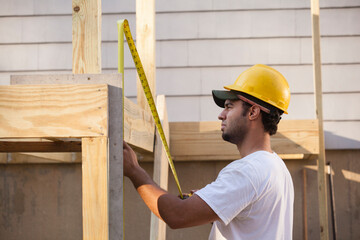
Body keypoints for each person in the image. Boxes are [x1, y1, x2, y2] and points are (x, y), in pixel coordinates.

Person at [123, 64, 294, 239]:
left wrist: (134, 171)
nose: (221, 114)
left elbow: (177, 215)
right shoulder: (276, 166)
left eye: (229, 106)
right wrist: (216, 205)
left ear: (253, 112)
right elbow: (255, 223)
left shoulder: (247, 171)